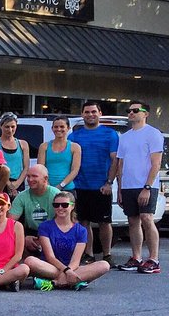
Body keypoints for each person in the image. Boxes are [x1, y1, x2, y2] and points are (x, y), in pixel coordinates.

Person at [68, 100, 119, 266]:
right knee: (83, 222)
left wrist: (109, 182)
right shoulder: (74, 136)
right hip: (81, 186)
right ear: (82, 114)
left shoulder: (110, 134)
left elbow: (115, 161)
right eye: (87, 112)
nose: (90, 115)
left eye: (93, 112)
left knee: (105, 222)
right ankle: (88, 254)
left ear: (100, 113)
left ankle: (107, 254)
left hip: (102, 186)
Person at [24, 191, 110, 290]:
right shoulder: (45, 226)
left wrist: (69, 270)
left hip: (72, 268)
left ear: (72, 206)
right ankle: (73, 281)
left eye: (64, 205)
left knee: (104, 265)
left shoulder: (81, 230)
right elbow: (50, 257)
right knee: (30, 261)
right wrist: (66, 271)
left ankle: (54, 283)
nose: (60, 208)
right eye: (56, 205)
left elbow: (75, 260)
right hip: (51, 267)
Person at [115, 100, 162, 273]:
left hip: (146, 185)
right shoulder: (125, 137)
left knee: (147, 219)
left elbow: (156, 164)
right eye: (129, 110)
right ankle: (136, 257)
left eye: (136, 110)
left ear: (146, 114)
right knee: (132, 221)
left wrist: (147, 187)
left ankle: (154, 259)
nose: (132, 113)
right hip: (128, 186)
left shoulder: (153, 134)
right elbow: (120, 164)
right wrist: (120, 189)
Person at [8, 164, 61, 254]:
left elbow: (66, 222)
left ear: (45, 179)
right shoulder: (22, 196)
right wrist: (23, 238)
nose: (30, 179)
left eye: (34, 176)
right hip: (32, 233)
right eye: (28, 176)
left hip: (53, 232)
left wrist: (45, 238)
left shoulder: (56, 195)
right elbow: (9, 223)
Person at [0, 113, 28, 199]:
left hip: (18, 183)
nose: (10, 130)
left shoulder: (23, 144)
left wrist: (16, 184)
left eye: (13, 127)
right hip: (0, 182)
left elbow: (26, 167)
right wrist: (8, 184)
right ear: (1, 126)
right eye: (7, 127)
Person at [40, 116, 81, 193]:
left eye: (62, 127)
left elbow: (75, 170)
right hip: (47, 189)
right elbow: (41, 169)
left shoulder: (75, 147)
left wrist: (61, 185)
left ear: (68, 128)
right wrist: (48, 186)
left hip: (68, 189)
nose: (58, 129)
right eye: (56, 127)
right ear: (52, 128)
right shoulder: (44, 147)